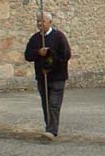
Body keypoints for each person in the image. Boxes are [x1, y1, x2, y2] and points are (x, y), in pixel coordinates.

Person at [24, 11, 72, 139]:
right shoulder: (35, 38)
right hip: (42, 78)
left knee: (53, 104)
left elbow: (66, 55)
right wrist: (38, 52)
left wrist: (51, 64)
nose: (40, 24)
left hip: (57, 77)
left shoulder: (59, 37)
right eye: (38, 21)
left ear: (50, 22)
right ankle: (49, 127)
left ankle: (52, 130)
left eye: (43, 21)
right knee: (46, 104)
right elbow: (28, 55)